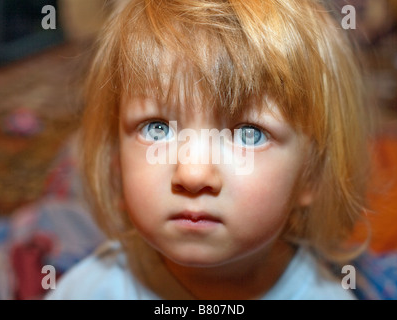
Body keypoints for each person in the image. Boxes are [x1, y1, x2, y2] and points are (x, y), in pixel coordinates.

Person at [46, 0, 371, 300]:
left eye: (250, 134)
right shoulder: (88, 291)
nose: (192, 173)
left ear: (311, 175)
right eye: (156, 128)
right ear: (116, 161)